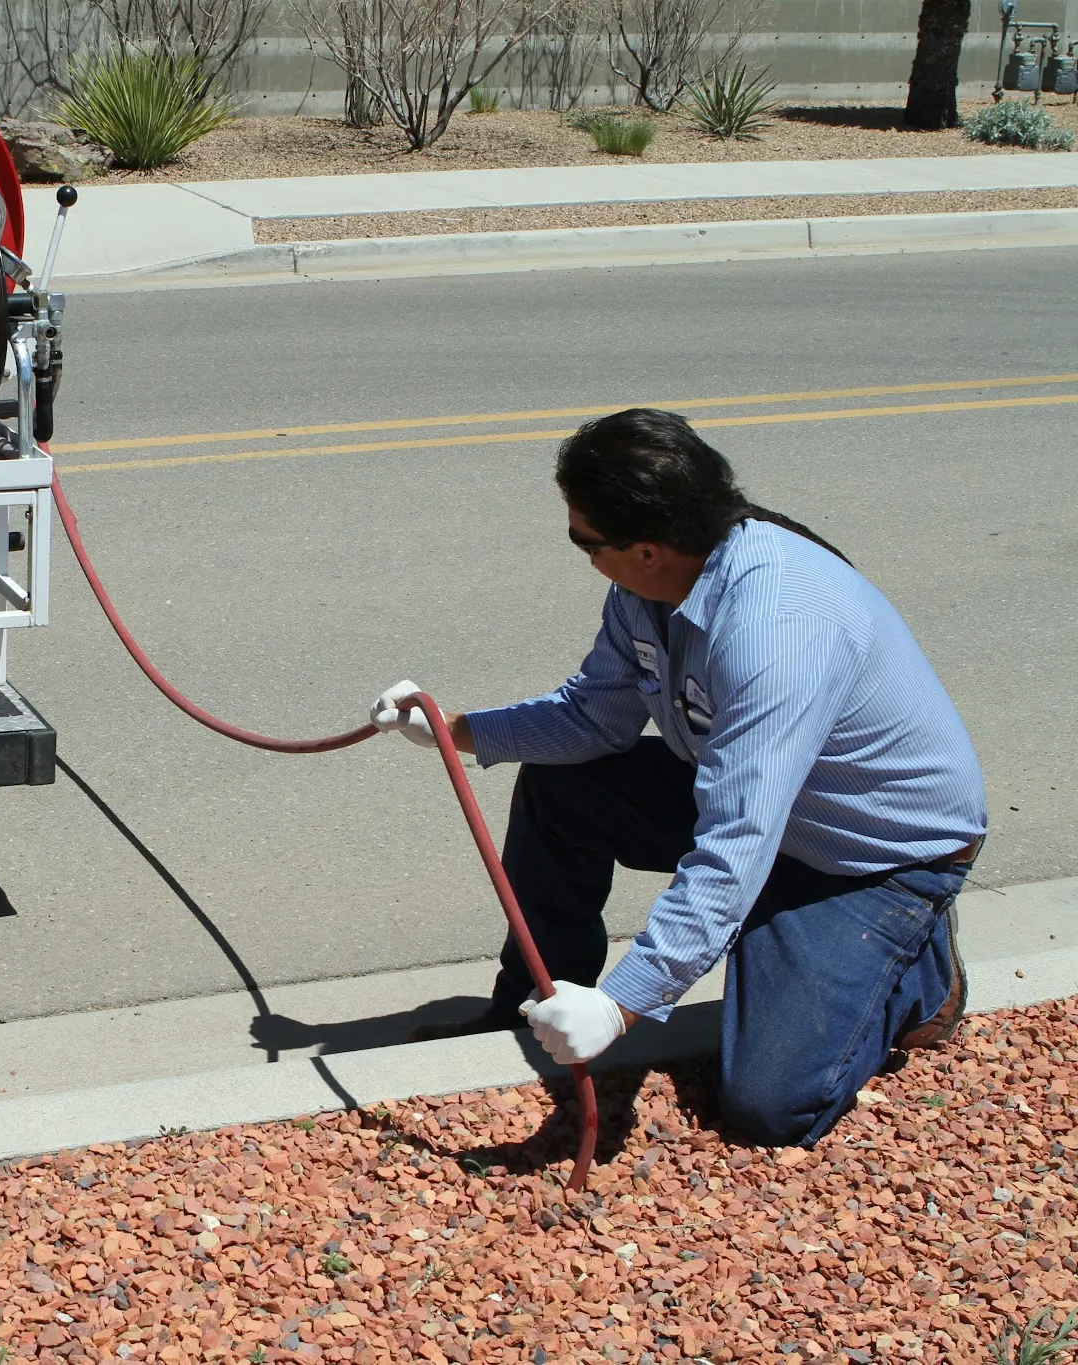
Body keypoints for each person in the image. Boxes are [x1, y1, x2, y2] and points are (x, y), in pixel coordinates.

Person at [374, 408, 985, 1148]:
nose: (582, 554)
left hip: (872, 859)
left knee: (771, 1105)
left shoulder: (776, 628)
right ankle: (532, 1004)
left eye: (585, 542)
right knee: (560, 788)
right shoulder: (652, 586)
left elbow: (735, 843)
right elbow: (593, 717)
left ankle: (920, 964)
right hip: (773, 814)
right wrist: (454, 729)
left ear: (647, 548)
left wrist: (621, 1006)